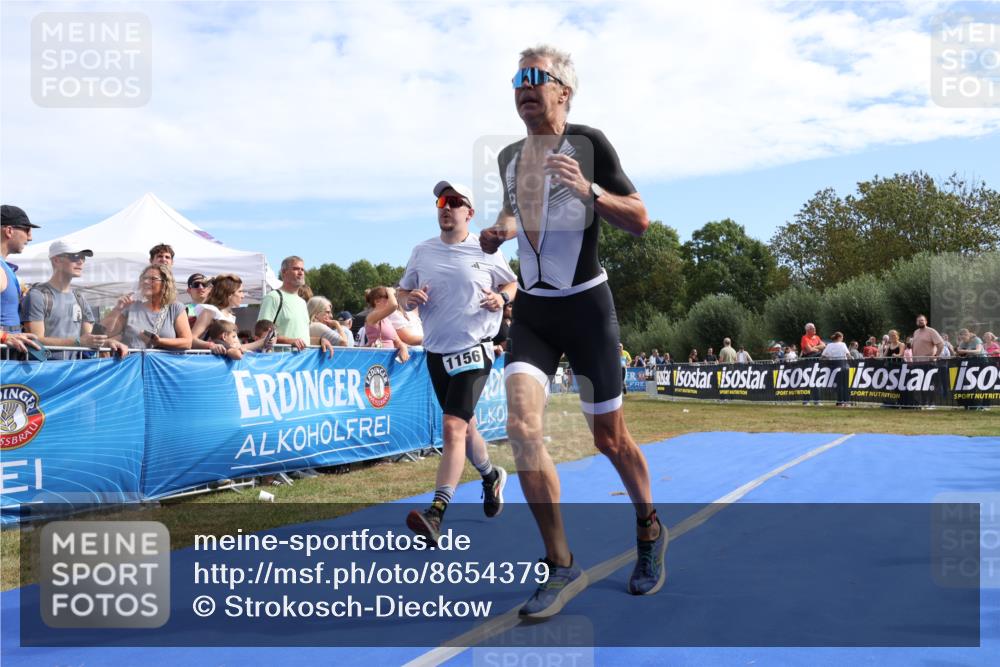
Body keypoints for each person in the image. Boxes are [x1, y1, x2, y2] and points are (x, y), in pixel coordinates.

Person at [478, 45, 664, 618]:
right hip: (533, 310)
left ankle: (650, 526)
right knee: (522, 426)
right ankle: (561, 563)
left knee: (610, 440)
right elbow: (517, 212)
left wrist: (589, 191)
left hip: (586, 307)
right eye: (518, 78)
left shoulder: (590, 142)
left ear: (564, 90)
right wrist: (499, 231)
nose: (524, 86)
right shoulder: (510, 154)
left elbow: (639, 219)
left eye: (537, 77)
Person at [397, 180, 518, 545]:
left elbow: (513, 285)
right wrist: (408, 299)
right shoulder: (422, 251)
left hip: (475, 350)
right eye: (440, 202)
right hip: (437, 353)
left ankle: (436, 512)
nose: (445, 207)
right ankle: (491, 475)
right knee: (466, 429)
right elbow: (401, 293)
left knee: (452, 428)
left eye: (454, 202)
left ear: (469, 212)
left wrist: (501, 298)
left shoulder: (485, 249)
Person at [21, 240, 128, 358]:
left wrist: (108, 342)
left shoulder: (79, 298)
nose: (81, 261)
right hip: (47, 371)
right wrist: (78, 342)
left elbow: (88, 337)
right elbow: (35, 340)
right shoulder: (37, 295)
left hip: (74, 370)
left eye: (83, 257)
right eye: (75, 256)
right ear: (56, 260)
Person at [102, 264, 193, 350]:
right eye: (144, 278)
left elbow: (187, 343)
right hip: (134, 365)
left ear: (165, 284)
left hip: (162, 366)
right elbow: (103, 334)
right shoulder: (131, 307)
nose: (146, 281)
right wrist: (117, 309)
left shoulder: (175, 307)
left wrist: (159, 342)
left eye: (152, 279)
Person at [191, 274, 273, 356]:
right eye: (240, 291)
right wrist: (211, 345)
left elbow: (237, 347)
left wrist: (263, 342)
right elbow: (191, 339)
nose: (243, 296)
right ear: (229, 294)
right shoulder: (209, 312)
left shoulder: (230, 317)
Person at [0, 205, 42, 355]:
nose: (30, 237)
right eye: (27, 229)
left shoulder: (5, 267)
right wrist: (4, 336)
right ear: (9, 231)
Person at [257, 256, 317, 352]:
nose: (301, 272)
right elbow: (261, 334)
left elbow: (303, 338)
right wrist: (289, 341)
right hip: (282, 362)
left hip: (303, 363)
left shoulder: (302, 302)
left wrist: (321, 341)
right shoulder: (273, 297)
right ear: (284, 272)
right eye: (296, 269)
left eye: (302, 269)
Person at [363, 287, 410, 362]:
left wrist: (403, 347)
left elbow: (398, 341)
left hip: (387, 362)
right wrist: (390, 291)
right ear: (377, 301)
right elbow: (394, 305)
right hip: (375, 361)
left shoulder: (387, 320)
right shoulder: (371, 317)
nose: (390, 299)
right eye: (387, 297)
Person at [821, 331, 850, 406]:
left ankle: (839, 401)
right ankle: (845, 401)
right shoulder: (843, 344)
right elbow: (848, 354)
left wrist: (830, 357)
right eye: (842, 337)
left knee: (838, 385)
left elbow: (823, 356)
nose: (843, 339)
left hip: (833, 367)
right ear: (839, 337)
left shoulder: (829, 345)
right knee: (845, 384)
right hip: (843, 366)